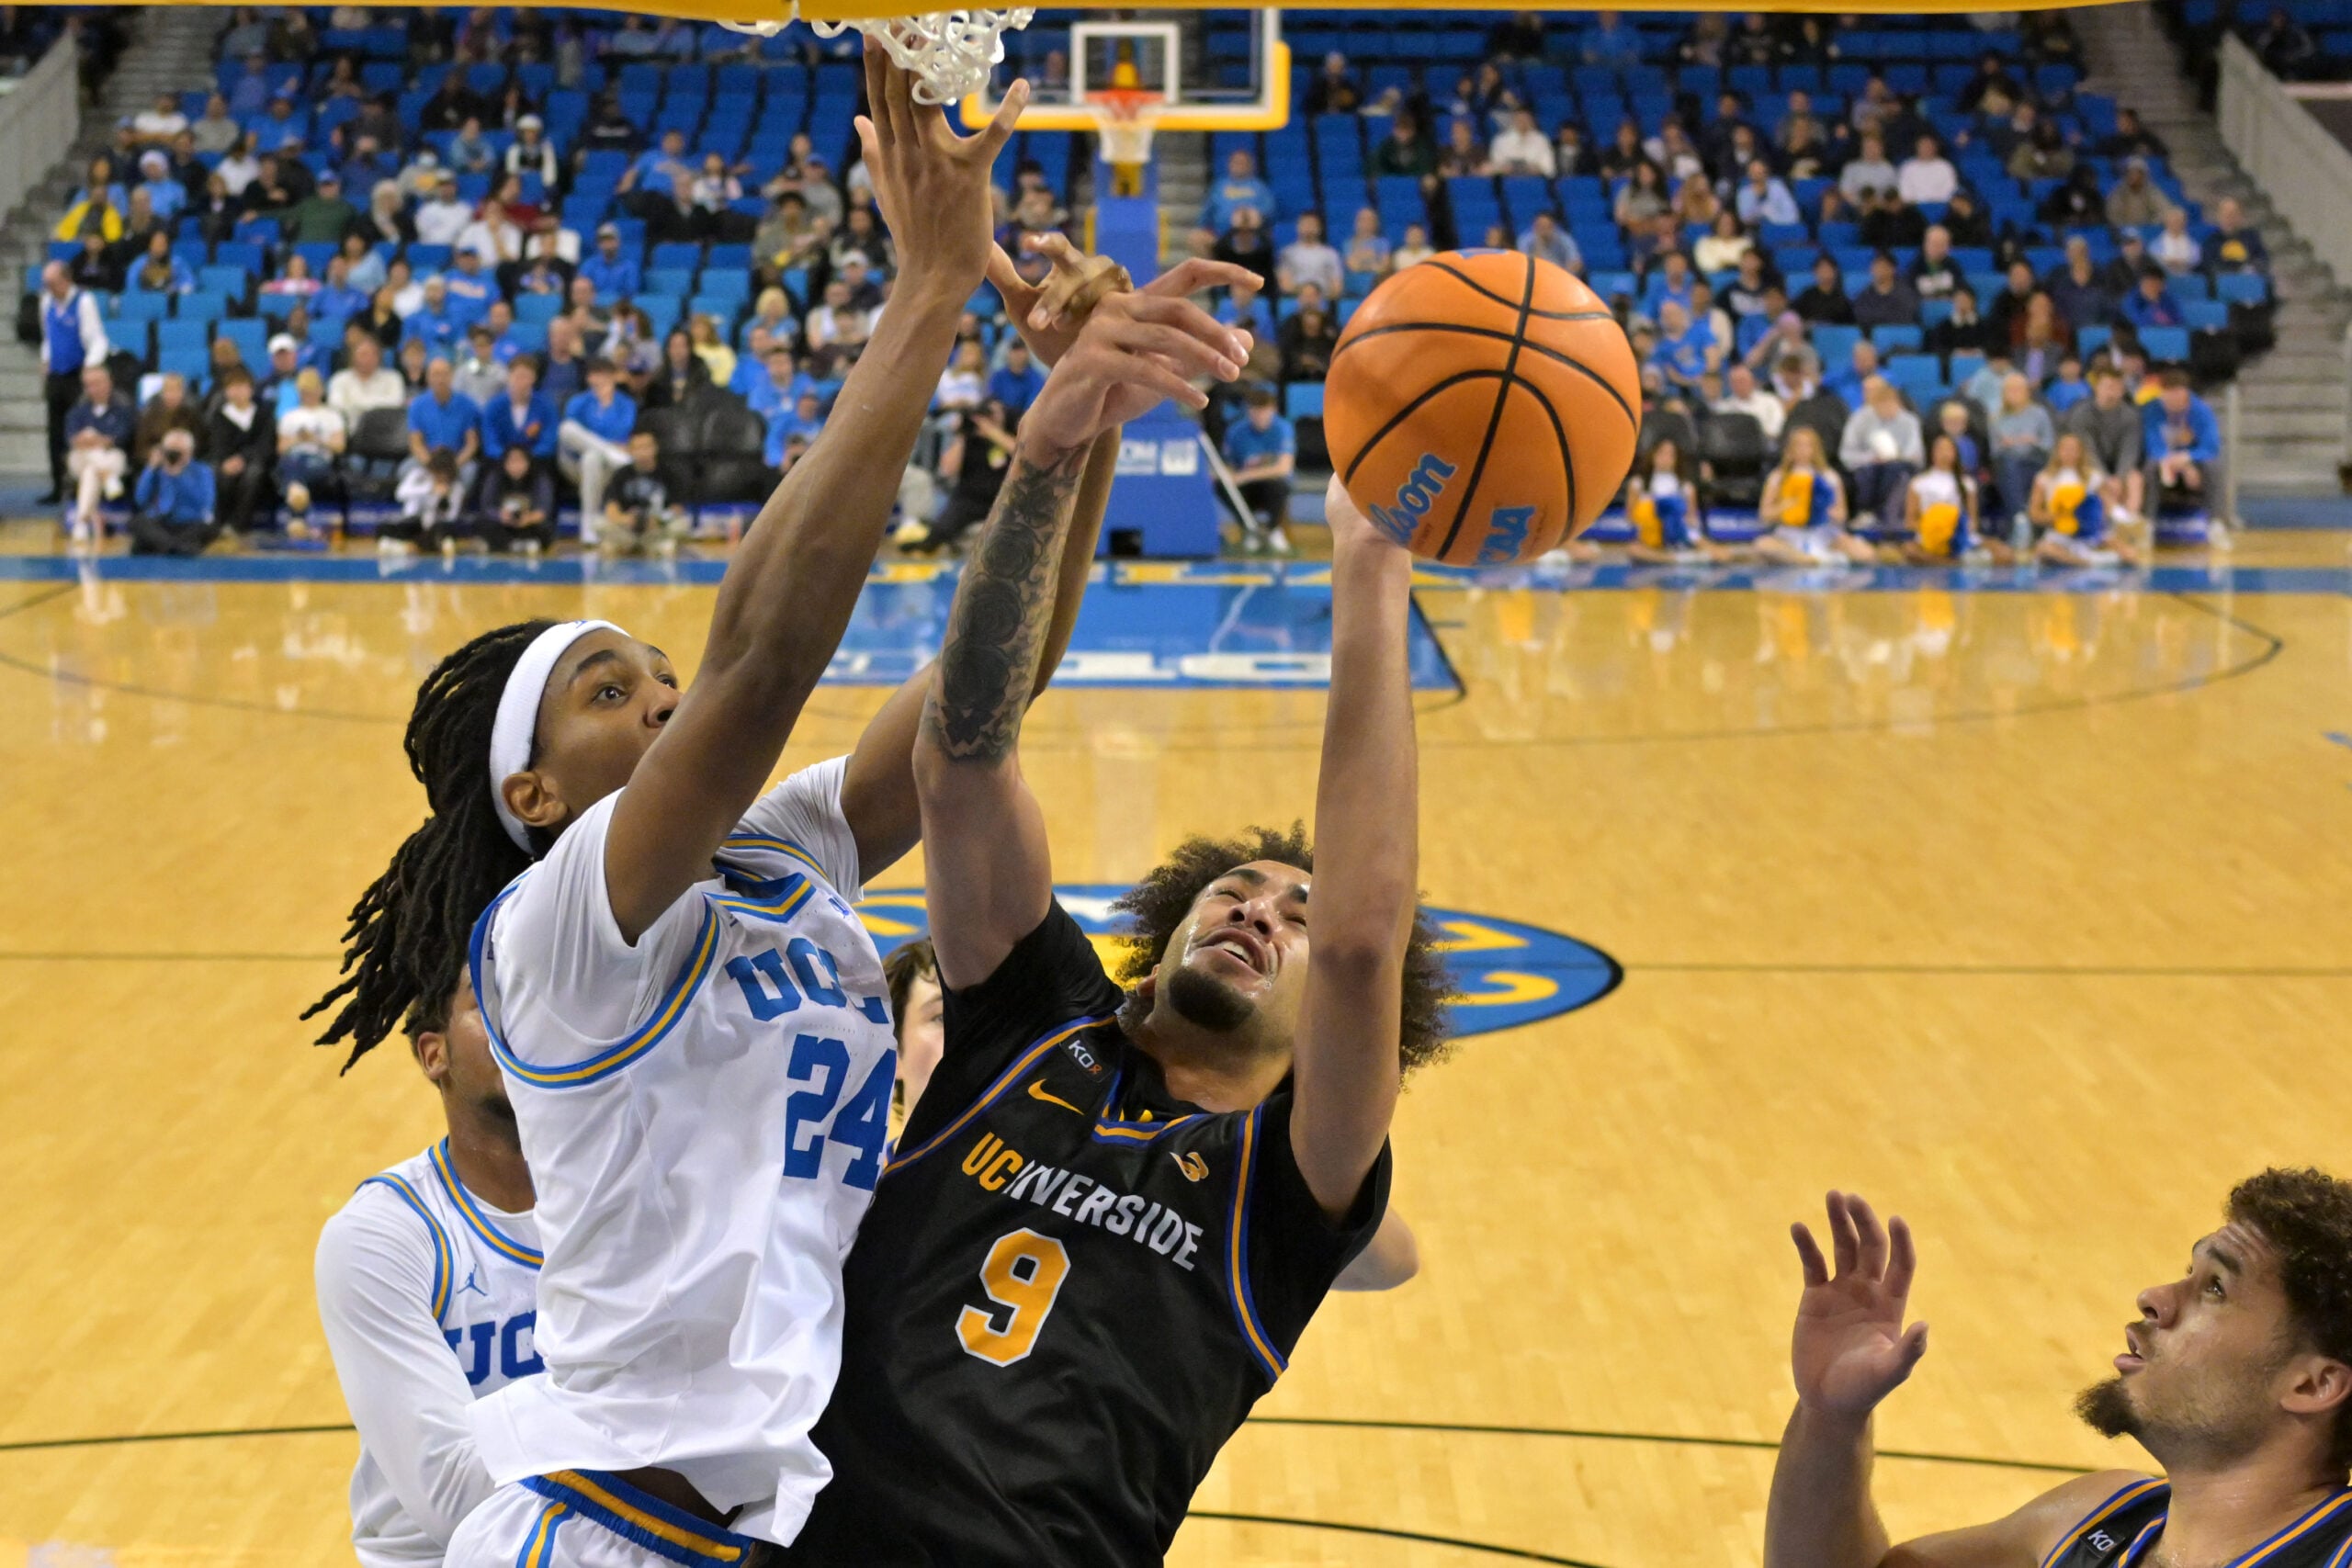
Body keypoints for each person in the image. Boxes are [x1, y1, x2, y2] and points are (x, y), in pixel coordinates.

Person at [310, 85, 1216, 1568]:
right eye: (612, 692)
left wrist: (1079, 433)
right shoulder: (555, 933)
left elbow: (986, 693)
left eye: (663, 677)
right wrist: (928, 290)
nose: (663, 701)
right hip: (606, 1523)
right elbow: (763, 661)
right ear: (530, 794)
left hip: (787, 1516)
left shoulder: (781, 853)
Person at [783, 378, 1430, 1567]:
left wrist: (1372, 564)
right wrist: (1053, 445)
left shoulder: (1287, 1186)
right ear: (1172, 923)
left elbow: (1360, 940)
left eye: (1298, 905)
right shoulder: (1036, 1020)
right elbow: (962, 755)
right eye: (1234, 886)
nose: (1260, 906)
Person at [1764, 1177, 2352, 1567]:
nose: (2155, 1297)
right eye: (2187, 1272)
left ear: (2312, 1383)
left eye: (2216, 1289)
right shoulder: (2097, 1516)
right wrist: (1831, 1420)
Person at [315, 972, 544, 1568]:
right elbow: (455, 1496)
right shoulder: (382, 1237)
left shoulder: (631, 1192)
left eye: (529, 996)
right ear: (433, 1053)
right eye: (485, 1003)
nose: (514, 1020)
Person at [36, 261, 110, 508]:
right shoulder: (46, 302)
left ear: (66, 280)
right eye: (46, 283)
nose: (48, 288)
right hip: (56, 374)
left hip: (77, 375)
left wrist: (90, 366)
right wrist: (46, 360)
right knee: (54, 433)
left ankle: (80, 486)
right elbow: (48, 337)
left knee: (78, 430)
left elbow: (97, 339)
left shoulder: (84, 301)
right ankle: (57, 486)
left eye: (53, 283)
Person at [904, 397, 1013, 554]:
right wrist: (963, 434)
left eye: (995, 412)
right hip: (968, 498)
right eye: (987, 413)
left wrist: (992, 432)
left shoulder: (1011, 435)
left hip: (1002, 500)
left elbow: (1020, 453)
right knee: (939, 532)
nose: (990, 417)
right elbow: (948, 469)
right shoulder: (969, 439)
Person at [1758, 425, 1871, 565]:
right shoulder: (1777, 477)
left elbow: (1842, 515)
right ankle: (1809, 560)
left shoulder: (1829, 476)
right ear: (1790, 449)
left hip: (1824, 532)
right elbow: (1765, 515)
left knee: (1865, 553)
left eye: (1808, 445)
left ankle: (1818, 557)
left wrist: (1820, 508)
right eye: (1798, 445)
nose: (1803, 450)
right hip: (1789, 533)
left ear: (1816, 449)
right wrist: (1787, 506)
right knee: (1763, 545)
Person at [556, 357, 636, 546]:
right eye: (596, 374)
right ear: (589, 378)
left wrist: (607, 403)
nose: (601, 379)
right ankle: (607, 453)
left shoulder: (626, 404)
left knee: (592, 459)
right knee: (567, 428)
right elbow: (573, 437)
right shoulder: (578, 401)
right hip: (575, 463)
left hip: (609, 467)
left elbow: (622, 433)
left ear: (614, 377)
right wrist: (608, 448)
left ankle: (588, 526)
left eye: (606, 375)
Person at [2030, 432, 2139, 566]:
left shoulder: (2094, 477)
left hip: (2091, 532)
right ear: (2057, 451)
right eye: (2065, 449)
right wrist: (2060, 516)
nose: (2069, 453)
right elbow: (2034, 514)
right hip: (2061, 532)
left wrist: (2092, 518)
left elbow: (2109, 506)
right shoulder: (2044, 478)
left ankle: (2089, 557)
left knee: (2129, 554)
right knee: (2044, 549)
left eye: (2074, 449)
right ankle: (2087, 562)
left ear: (2081, 452)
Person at [1898, 431, 1996, 564]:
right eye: (1940, 449)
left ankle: (1958, 558)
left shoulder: (1967, 483)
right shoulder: (1918, 483)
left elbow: (1973, 520)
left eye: (1948, 449)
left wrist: (1956, 531)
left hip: (1959, 537)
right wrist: (1935, 529)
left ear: (1956, 453)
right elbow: (1910, 522)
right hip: (1929, 538)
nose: (1944, 453)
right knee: (1910, 551)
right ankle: (1956, 562)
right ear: (1932, 453)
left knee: (2004, 553)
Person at [2064, 365, 2147, 523]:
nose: (2112, 392)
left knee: (2135, 479)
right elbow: (2088, 451)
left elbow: (2129, 451)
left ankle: (2130, 523)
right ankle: (2112, 522)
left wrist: (2119, 478)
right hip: (2089, 466)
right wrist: (2105, 478)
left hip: (2118, 468)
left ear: (2123, 390)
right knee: (2096, 480)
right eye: (2108, 387)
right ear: (2097, 387)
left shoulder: (2130, 417)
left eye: (2117, 388)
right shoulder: (2081, 415)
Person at [62, 363, 133, 546]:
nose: (93, 388)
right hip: (81, 457)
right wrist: (97, 440)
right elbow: (73, 440)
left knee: (91, 472)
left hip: (111, 458)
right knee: (88, 462)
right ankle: (109, 479)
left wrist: (93, 439)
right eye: (89, 384)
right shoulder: (77, 411)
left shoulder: (122, 409)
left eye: (98, 383)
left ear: (109, 383)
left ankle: (82, 522)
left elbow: (119, 439)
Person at [1839, 376, 1925, 527]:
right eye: (1881, 403)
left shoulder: (1910, 421)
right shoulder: (1859, 419)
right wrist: (1870, 458)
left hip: (1901, 466)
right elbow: (1846, 453)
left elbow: (1916, 454)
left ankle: (1886, 516)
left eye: (1890, 403)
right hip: (1868, 466)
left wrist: (1895, 457)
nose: (1886, 407)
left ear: (1898, 403)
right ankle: (1866, 513)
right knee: (1869, 471)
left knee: (1894, 470)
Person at [1221, 383, 1295, 554]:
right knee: (1223, 486)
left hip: (1272, 484)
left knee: (1278, 487)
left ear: (1273, 409)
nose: (1260, 416)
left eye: (1264, 410)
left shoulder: (1283, 429)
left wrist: (1246, 475)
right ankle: (1250, 528)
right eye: (1255, 411)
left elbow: (1283, 468)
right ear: (1248, 410)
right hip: (1247, 487)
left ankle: (1273, 530)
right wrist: (1228, 475)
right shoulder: (1236, 432)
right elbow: (1229, 463)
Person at [1624, 436, 1723, 563]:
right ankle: (1679, 559)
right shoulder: (1637, 484)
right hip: (1651, 535)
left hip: (1680, 534)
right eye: (1661, 453)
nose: (1665, 458)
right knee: (1633, 550)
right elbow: (1630, 518)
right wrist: (1651, 520)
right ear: (1652, 455)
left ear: (1676, 459)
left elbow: (1692, 519)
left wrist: (1677, 524)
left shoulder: (1686, 487)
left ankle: (1678, 556)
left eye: (1670, 455)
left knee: (1718, 552)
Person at [205, 367, 277, 535]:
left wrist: (244, 458)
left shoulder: (264, 413)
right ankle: (218, 522)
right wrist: (226, 461)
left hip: (255, 461)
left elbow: (265, 444)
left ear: (250, 389)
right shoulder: (219, 415)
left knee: (253, 474)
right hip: (227, 460)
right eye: (232, 387)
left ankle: (239, 525)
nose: (237, 392)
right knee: (219, 473)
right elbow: (217, 445)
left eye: (242, 386)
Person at [2143, 368, 2222, 519]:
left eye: (2177, 393)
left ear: (2186, 393)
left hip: (2194, 459)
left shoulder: (2202, 411)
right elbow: (2152, 444)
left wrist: (2188, 458)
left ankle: (2216, 522)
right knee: (2150, 467)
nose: (2173, 399)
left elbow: (2211, 446)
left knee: (2213, 467)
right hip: (2164, 460)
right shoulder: (2152, 410)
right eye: (2168, 393)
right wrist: (2175, 463)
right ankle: (2149, 522)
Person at [126, 428, 219, 556]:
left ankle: (164, 546)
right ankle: (176, 548)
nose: (174, 455)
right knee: (137, 523)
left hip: (190, 523)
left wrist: (179, 476)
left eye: (179, 451)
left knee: (210, 528)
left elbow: (204, 503)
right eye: (170, 450)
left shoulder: (202, 471)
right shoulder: (157, 470)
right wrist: (150, 468)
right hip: (161, 522)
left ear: (189, 452)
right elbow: (140, 499)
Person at [1988, 371, 2055, 525]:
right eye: (2010, 389)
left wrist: (2033, 442)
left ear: (2027, 392)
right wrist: (2006, 445)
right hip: (2009, 462)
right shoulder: (1996, 418)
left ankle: (2023, 519)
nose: (2014, 393)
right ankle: (2020, 518)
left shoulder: (2040, 414)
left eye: (2018, 389)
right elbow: (1994, 451)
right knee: (2010, 466)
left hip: (2036, 460)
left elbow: (2050, 445)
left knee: (2019, 468)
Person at [277, 368, 347, 507]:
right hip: (293, 458)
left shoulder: (332, 416)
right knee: (291, 463)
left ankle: (296, 504)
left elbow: (340, 447)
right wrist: (298, 440)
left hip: (319, 459)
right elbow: (281, 449)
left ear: (321, 390)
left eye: (312, 390)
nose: (309, 395)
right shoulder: (289, 416)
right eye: (305, 391)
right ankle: (298, 499)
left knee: (295, 475)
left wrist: (315, 440)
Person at [471, 442, 557, 555]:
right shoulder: (495, 477)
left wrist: (528, 518)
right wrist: (500, 515)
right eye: (512, 461)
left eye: (520, 461)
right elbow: (486, 506)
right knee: (483, 524)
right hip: (502, 524)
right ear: (505, 463)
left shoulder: (540, 479)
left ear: (528, 462)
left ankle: (510, 545)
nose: (516, 466)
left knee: (545, 528)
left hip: (528, 524)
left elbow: (544, 509)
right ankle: (517, 545)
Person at [407, 356, 481, 478]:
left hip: (457, 459)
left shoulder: (467, 404)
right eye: (435, 375)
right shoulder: (417, 405)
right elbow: (416, 443)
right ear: (427, 378)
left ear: (452, 376)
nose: (440, 379)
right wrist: (432, 465)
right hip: (428, 458)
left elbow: (471, 444)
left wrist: (454, 466)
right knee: (405, 470)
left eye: (444, 374)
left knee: (470, 472)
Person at [481, 356, 557, 465]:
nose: (520, 381)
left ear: (534, 378)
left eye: (525, 376)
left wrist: (527, 458)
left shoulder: (546, 405)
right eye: (517, 376)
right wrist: (508, 458)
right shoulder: (494, 406)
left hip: (536, 462)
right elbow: (490, 440)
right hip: (500, 462)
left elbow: (549, 439)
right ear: (509, 377)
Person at [330, 333, 410, 426]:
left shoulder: (393, 378)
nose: (368, 359)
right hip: (349, 432)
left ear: (379, 357)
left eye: (372, 354)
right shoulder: (340, 379)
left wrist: (355, 404)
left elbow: (396, 403)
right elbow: (336, 406)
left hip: (385, 433)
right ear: (353, 356)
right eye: (363, 354)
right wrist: (377, 405)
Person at [1275, 212, 1343, 299]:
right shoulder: (1287, 253)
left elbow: (1337, 287)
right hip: (1296, 301)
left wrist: (1316, 295)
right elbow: (1285, 286)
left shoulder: (1331, 254)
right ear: (1298, 227)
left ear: (1319, 228)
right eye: (1305, 224)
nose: (1308, 228)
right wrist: (1306, 293)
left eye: (1312, 224)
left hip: (1323, 301)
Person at [1276, 288, 1339, 383]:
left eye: (1312, 296)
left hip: (1325, 373)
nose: (1309, 300)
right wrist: (1301, 361)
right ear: (1299, 299)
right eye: (1305, 296)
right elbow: (1285, 349)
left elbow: (1337, 349)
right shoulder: (1291, 323)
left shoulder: (1330, 323)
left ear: (1320, 299)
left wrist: (1317, 363)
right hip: (1294, 374)